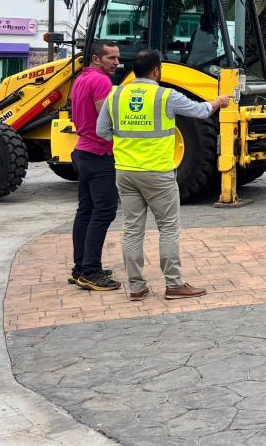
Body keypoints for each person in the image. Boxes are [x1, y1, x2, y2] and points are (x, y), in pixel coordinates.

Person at [96, 49, 231, 301]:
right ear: (157, 70)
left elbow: (102, 131)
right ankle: (174, 284)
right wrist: (218, 102)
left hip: (125, 172)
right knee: (168, 228)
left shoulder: (115, 95)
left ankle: (136, 288)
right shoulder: (165, 96)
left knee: (132, 230)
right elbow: (200, 111)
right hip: (158, 173)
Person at [68, 41, 122, 291]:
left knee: (86, 210)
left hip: (82, 150)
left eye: (117, 58)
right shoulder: (101, 82)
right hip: (99, 153)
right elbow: (105, 119)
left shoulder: (81, 78)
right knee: (104, 211)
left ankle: (80, 267)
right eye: (111, 58)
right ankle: (91, 271)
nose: (116, 62)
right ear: (96, 59)